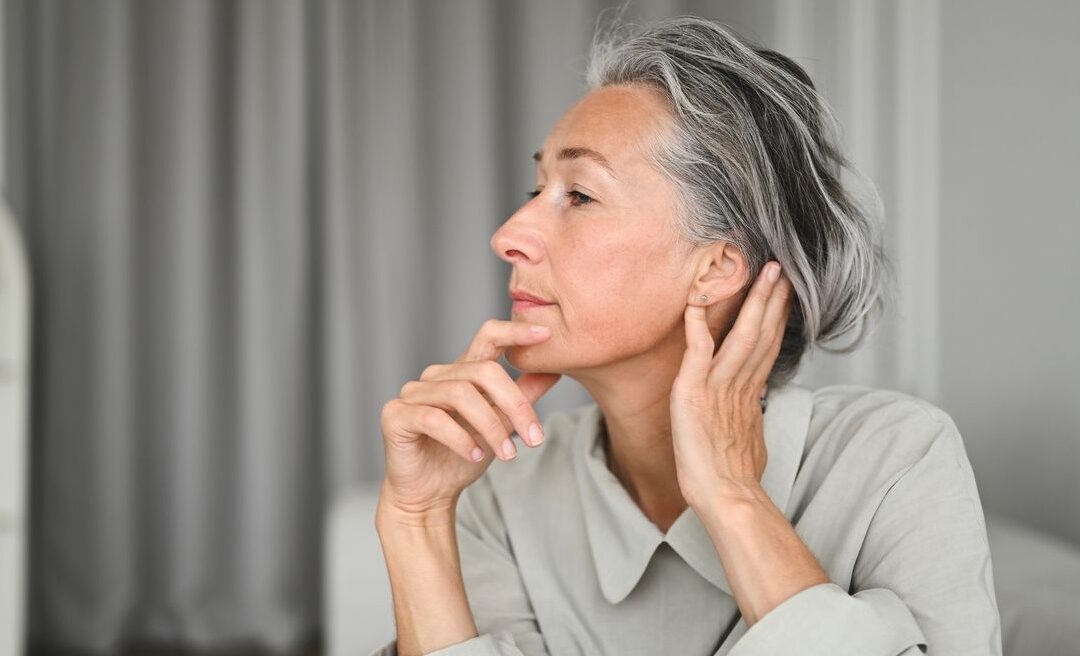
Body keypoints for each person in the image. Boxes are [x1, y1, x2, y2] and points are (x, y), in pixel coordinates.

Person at [370, 12, 1002, 656]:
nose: (508, 236)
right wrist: (415, 519)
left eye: (579, 196)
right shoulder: (500, 488)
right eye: (536, 189)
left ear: (716, 268)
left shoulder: (893, 460)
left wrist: (732, 496)